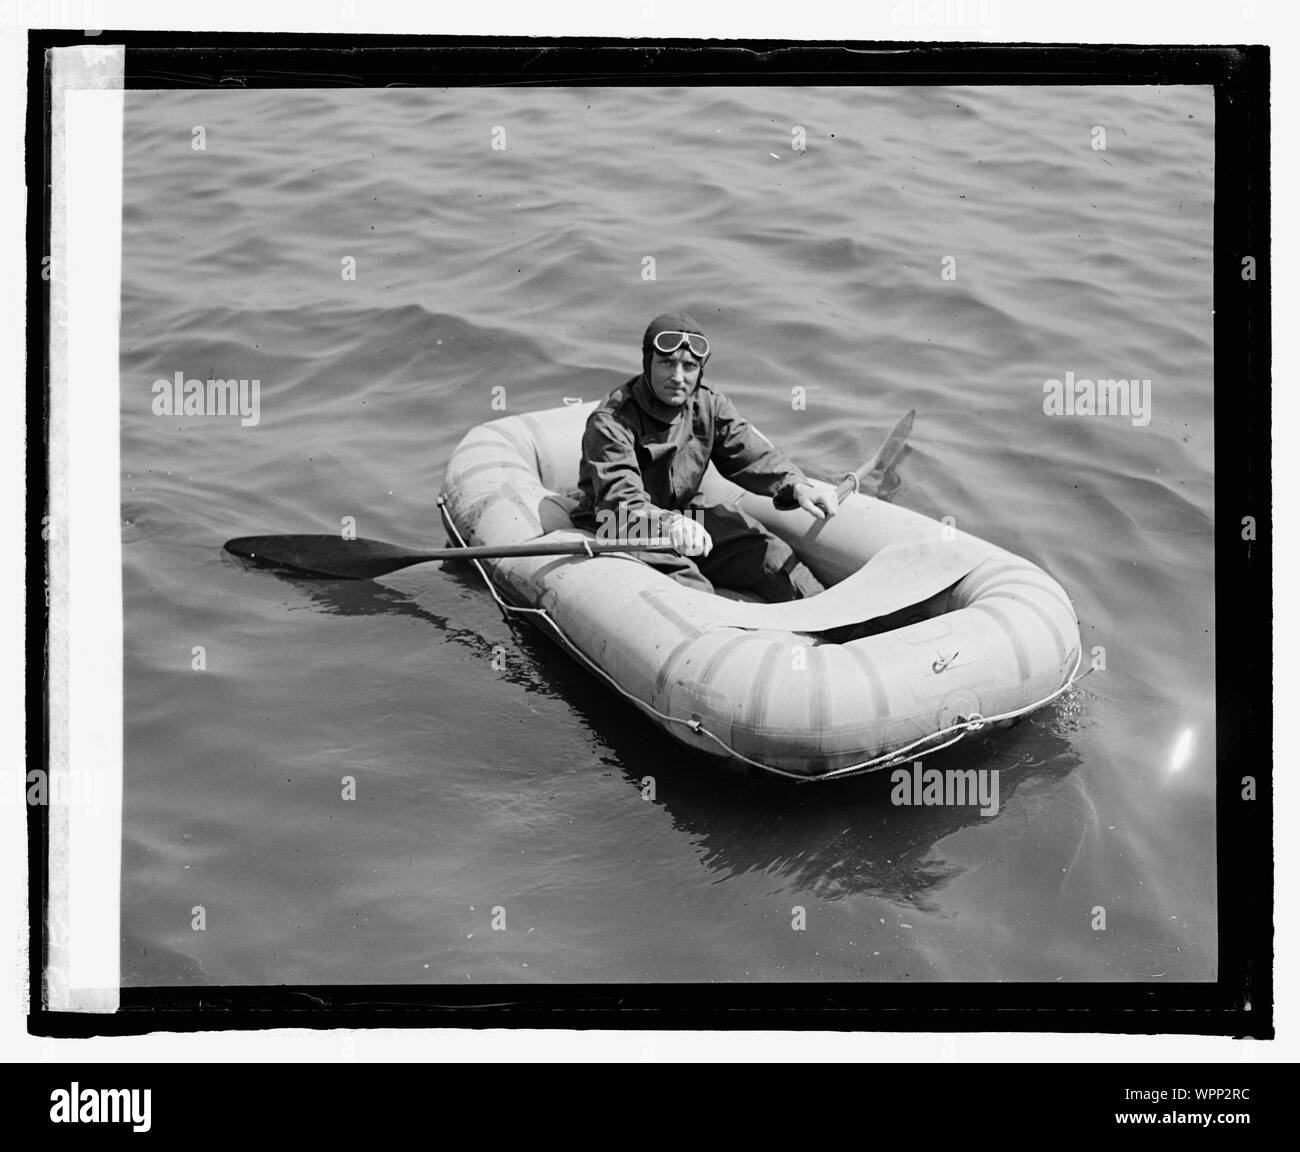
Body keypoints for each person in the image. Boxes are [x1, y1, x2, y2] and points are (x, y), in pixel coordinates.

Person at [571, 311, 836, 601]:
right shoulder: (611, 421)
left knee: (772, 556)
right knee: (690, 587)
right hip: (619, 524)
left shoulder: (709, 403)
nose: (678, 377)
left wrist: (797, 486)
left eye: (689, 366)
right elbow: (621, 503)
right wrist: (669, 525)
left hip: (687, 515)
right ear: (648, 363)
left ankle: (838, 622)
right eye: (666, 363)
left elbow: (751, 454)